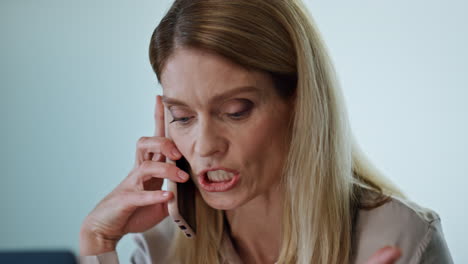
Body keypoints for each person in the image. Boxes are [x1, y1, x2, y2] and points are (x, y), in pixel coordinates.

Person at [79, 0, 453, 263]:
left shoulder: (400, 238)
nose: (205, 146)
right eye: (182, 117)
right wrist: (99, 242)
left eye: (235, 111)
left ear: (300, 103)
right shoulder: (162, 248)